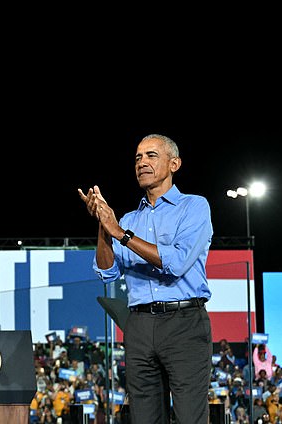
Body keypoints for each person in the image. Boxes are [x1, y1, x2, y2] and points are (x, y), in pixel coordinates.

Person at [78, 134, 213, 423]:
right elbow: (106, 272)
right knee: (145, 417)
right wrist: (104, 228)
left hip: (184, 324)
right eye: (138, 158)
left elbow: (176, 262)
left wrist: (121, 235)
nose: (142, 163)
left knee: (190, 416)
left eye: (151, 155)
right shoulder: (127, 219)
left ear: (174, 163)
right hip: (139, 325)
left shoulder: (194, 207)